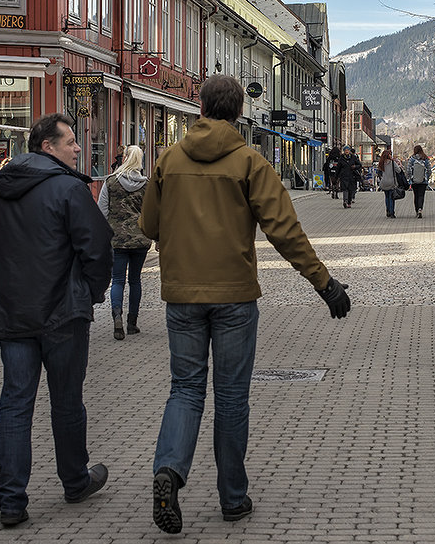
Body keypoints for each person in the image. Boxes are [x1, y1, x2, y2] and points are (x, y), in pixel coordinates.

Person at [139, 75, 350, 535]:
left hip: (181, 295)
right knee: (231, 397)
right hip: (234, 295)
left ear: (199, 106)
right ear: (238, 112)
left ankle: (169, 472)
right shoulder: (249, 161)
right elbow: (284, 230)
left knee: (185, 390)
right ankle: (233, 499)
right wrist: (325, 284)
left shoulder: (169, 159)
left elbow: (149, 223)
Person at [0, 113, 113, 528]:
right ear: (48, 147)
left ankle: (11, 502)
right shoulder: (69, 189)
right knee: (66, 402)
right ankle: (75, 481)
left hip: (13, 316)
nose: (78, 148)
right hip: (62, 314)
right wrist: (91, 294)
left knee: (14, 404)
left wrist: (3, 290)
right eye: (70, 142)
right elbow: (97, 250)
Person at [97, 144, 151, 340]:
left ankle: (117, 317)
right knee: (135, 280)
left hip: (117, 239)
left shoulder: (111, 182)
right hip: (140, 239)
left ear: (124, 157)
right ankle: (132, 322)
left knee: (118, 280)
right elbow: (152, 213)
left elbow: (102, 210)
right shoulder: (147, 184)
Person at [405, 145, 431, 219]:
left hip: (414, 181)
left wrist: (410, 178)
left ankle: (416, 210)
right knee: (421, 195)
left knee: (416, 196)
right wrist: (427, 178)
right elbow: (429, 170)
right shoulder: (425, 159)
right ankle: (420, 209)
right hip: (423, 181)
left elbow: (408, 169)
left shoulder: (412, 159)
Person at [376, 149, 403, 218]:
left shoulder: (381, 163)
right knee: (392, 198)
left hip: (384, 182)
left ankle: (387, 210)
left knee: (387, 197)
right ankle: (392, 213)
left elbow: (379, 173)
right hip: (392, 182)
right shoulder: (392, 163)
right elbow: (399, 170)